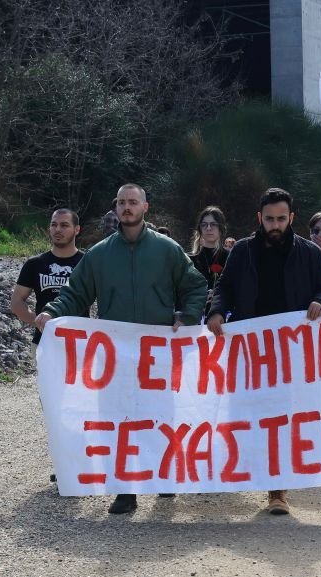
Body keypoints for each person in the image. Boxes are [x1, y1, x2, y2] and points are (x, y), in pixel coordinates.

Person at [35, 183, 208, 515]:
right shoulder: (99, 254)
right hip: (115, 355)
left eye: (133, 202)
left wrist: (186, 317)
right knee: (118, 418)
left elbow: (195, 285)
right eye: (122, 202)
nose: (127, 207)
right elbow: (75, 292)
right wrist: (53, 312)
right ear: (115, 208)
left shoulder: (167, 249)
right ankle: (125, 490)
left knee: (160, 416)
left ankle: (163, 476)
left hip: (157, 354)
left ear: (145, 207)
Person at [206, 187, 321, 516]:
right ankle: (245, 470)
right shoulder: (243, 251)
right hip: (250, 352)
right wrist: (216, 312)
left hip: (291, 352)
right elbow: (225, 288)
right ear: (259, 218)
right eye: (269, 219)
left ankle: (278, 490)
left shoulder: (308, 252)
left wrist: (320, 300)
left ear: (291, 218)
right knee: (248, 413)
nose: (275, 225)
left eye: (280, 219)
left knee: (283, 419)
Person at [11, 208, 86, 484]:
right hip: (45, 345)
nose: (58, 230)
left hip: (80, 345)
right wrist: (38, 322)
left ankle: (79, 459)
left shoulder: (87, 262)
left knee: (79, 402)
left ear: (76, 229)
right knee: (54, 404)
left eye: (64, 225)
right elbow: (16, 302)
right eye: (54, 225)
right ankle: (63, 462)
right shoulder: (36, 264)